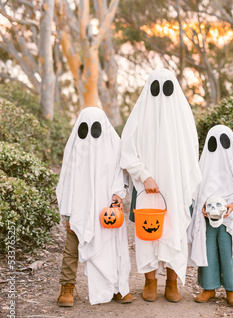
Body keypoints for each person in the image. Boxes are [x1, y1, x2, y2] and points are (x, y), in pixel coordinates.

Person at [120, 68, 202, 302]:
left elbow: (190, 155)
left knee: (175, 230)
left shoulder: (183, 117)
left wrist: (181, 183)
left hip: (175, 187)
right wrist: (144, 175)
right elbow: (127, 150)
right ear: (148, 89)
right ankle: (150, 280)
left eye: (167, 89)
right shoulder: (139, 116)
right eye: (156, 89)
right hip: (146, 187)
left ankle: (172, 282)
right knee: (147, 232)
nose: (161, 96)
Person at [56, 107, 131, 306]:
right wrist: (67, 213)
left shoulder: (114, 146)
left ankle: (117, 286)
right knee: (71, 248)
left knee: (113, 247)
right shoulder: (75, 150)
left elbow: (121, 174)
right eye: (84, 128)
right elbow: (66, 181)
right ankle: (67, 286)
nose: (89, 134)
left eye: (95, 128)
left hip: (106, 209)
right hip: (78, 208)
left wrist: (118, 194)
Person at [188, 125, 233, 306]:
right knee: (208, 250)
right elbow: (196, 190)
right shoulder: (204, 166)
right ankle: (209, 288)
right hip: (207, 217)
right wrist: (201, 206)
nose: (218, 147)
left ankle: (232, 289)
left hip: (230, 216)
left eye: (223, 141)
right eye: (213, 142)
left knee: (230, 249)